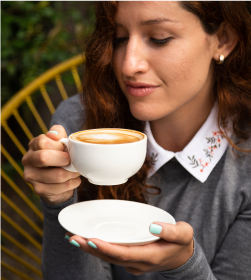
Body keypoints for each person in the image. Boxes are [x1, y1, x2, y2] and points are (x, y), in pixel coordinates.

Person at [22, 0, 251, 279]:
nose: (129, 65)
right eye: (119, 38)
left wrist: (184, 267)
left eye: (159, 38)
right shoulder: (81, 127)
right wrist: (58, 201)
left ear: (223, 40)